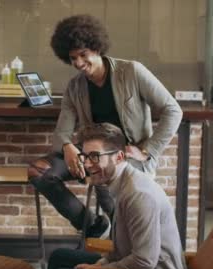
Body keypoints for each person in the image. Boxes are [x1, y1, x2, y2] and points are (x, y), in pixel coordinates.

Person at [28, 14, 182, 238]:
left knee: (110, 194)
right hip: (91, 155)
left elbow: (173, 110)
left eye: (84, 55)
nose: (79, 63)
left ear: (96, 48)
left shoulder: (132, 72)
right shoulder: (74, 87)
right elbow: (63, 131)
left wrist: (148, 151)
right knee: (38, 171)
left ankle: (119, 245)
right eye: (73, 58)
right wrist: (67, 147)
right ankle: (93, 226)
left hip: (125, 157)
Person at [45, 124, 187, 269]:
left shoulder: (138, 195)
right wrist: (103, 263)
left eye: (95, 156)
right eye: (85, 156)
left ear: (119, 157)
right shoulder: (122, 183)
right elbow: (124, 246)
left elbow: (145, 261)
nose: (86, 164)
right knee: (59, 257)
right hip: (139, 268)